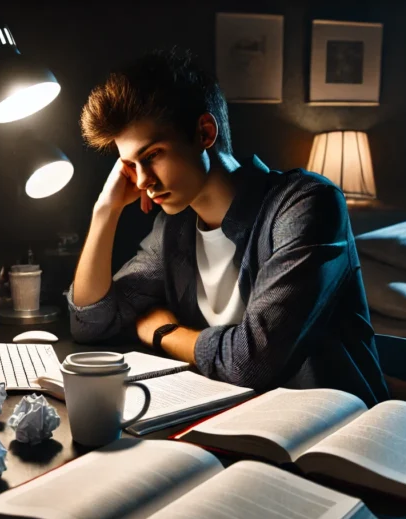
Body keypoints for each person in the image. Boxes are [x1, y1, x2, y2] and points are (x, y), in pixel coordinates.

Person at [67, 48, 389, 406]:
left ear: (204, 132)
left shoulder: (306, 204)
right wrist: (104, 211)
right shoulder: (172, 230)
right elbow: (90, 323)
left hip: (333, 437)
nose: (143, 181)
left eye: (152, 155)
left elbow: (253, 362)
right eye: (130, 165)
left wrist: (165, 332)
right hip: (240, 427)